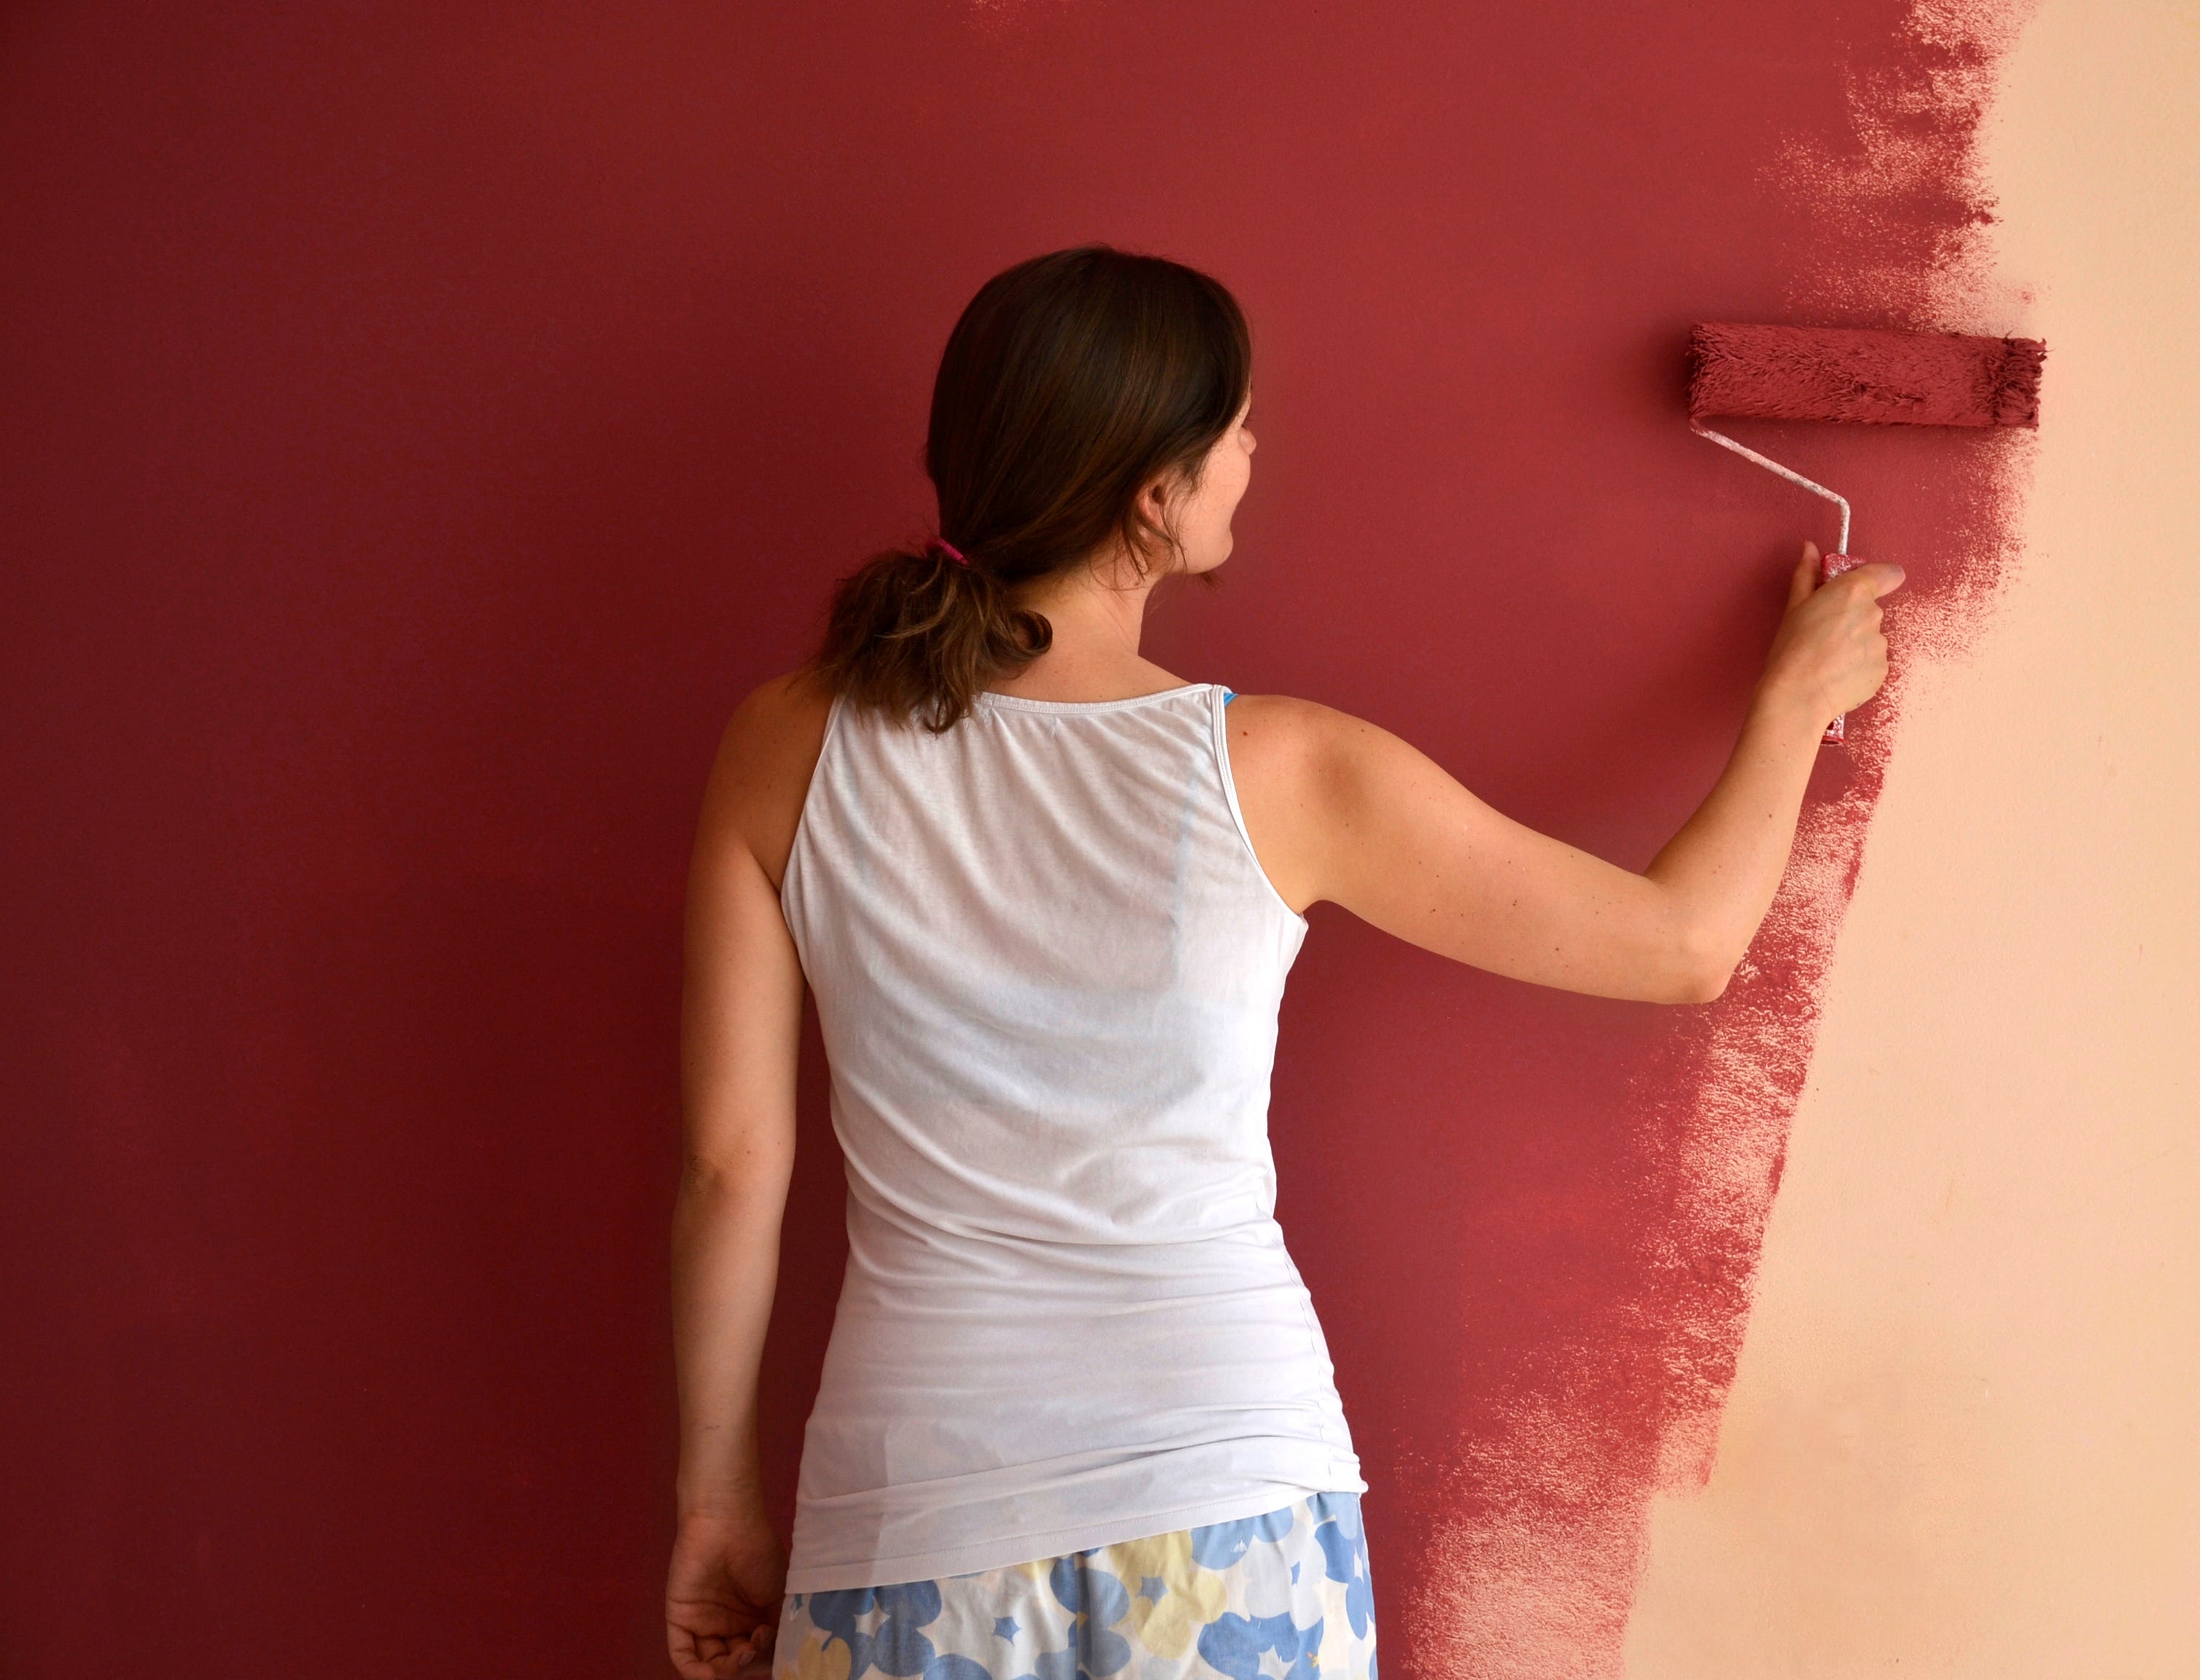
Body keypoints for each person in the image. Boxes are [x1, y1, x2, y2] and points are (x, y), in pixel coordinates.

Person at [663, 245, 1900, 1680]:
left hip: (908, 1508)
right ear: (1157, 490)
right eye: (1240, 428)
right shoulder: (1280, 770)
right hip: (1226, 1501)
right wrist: (1794, 702)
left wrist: (714, 1505)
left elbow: (730, 1168)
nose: (1257, 454)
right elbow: (1682, 945)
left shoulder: (785, 743)